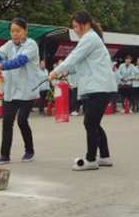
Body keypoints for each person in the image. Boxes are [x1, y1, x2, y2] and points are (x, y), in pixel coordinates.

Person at [48, 11, 116, 171]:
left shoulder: (89, 38)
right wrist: (68, 72)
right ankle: (105, 156)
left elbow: (74, 57)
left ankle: (91, 159)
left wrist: (56, 71)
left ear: (85, 25)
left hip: (100, 87)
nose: (75, 30)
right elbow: (83, 64)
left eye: (76, 27)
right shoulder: (92, 38)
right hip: (99, 87)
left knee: (90, 123)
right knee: (95, 123)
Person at [0, 18, 40, 165]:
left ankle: (29, 150)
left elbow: (20, 61)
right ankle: (4, 155)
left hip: (27, 90)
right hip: (11, 90)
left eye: (18, 31)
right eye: (12, 31)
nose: (15, 34)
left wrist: (1, 65)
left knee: (22, 120)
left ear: (25, 31)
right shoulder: (9, 45)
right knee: (7, 122)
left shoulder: (31, 45)